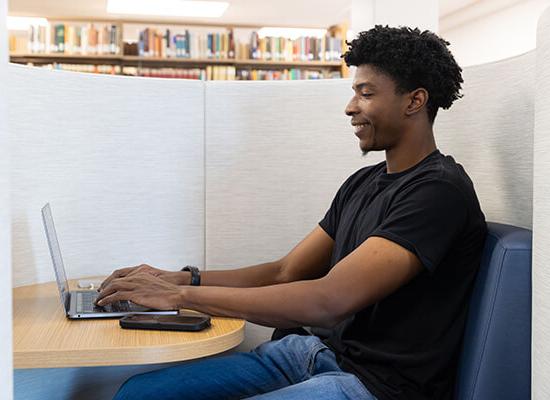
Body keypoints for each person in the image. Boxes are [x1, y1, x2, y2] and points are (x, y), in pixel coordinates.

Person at [96, 25, 487, 400]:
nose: (351, 107)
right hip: (314, 355)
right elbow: (287, 271)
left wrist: (180, 295)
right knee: (139, 393)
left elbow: (329, 301)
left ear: (414, 101)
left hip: (376, 386)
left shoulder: (439, 191)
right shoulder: (363, 182)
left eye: (366, 93)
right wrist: (182, 276)